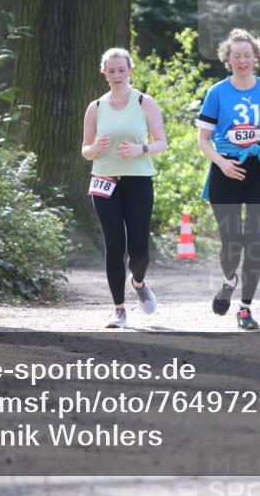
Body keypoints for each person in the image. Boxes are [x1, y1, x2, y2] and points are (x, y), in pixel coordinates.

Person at [196, 29, 260, 330]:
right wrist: (222, 164)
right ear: (227, 60)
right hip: (225, 169)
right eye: (236, 56)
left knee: (254, 241)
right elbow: (203, 140)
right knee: (231, 244)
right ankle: (229, 281)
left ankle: (245, 309)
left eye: (247, 55)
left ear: (256, 58)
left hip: (259, 170)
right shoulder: (217, 93)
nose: (242, 60)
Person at [82, 48, 167, 329]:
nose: (117, 75)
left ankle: (138, 282)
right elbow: (86, 150)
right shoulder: (96, 107)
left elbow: (161, 143)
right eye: (111, 70)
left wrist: (141, 149)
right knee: (114, 244)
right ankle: (118, 309)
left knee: (139, 250)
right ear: (103, 73)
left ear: (130, 71)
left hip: (138, 180)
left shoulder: (144, 102)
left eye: (121, 70)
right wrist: (95, 147)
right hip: (105, 179)